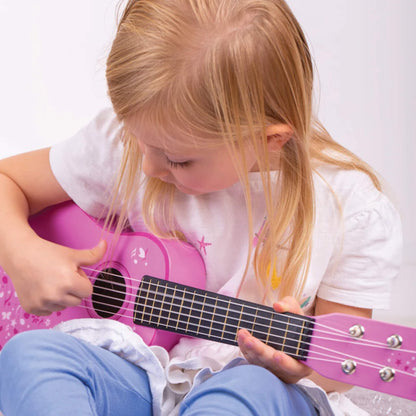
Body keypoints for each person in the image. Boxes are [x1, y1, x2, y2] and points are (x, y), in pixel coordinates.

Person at [0, 0, 402, 415]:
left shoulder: (349, 208)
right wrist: (21, 253)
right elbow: (7, 180)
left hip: (253, 388)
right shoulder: (137, 145)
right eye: (139, 141)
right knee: (29, 355)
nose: (149, 167)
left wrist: (294, 368)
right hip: (140, 374)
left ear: (270, 139)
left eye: (178, 160)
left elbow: (345, 366)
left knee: (248, 385)